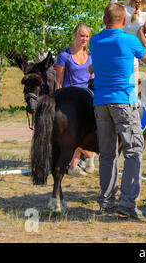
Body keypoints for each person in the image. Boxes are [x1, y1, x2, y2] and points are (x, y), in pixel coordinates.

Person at [90, 3, 146, 219]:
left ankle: (107, 202)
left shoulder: (95, 40)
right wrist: (141, 33)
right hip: (124, 102)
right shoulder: (129, 40)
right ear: (124, 21)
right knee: (133, 151)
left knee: (107, 154)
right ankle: (127, 203)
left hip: (100, 102)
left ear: (103, 20)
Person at [55, 23, 96, 177]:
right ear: (74, 36)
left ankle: (73, 165)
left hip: (87, 96)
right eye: (81, 35)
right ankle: (90, 156)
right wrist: (56, 100)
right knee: (72, 132)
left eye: (86, 36)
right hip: (69, 97)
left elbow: (93, 78)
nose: (84, 39)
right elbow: (58, 81)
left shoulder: (91, 56)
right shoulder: (64, 56)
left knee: (85, 130)